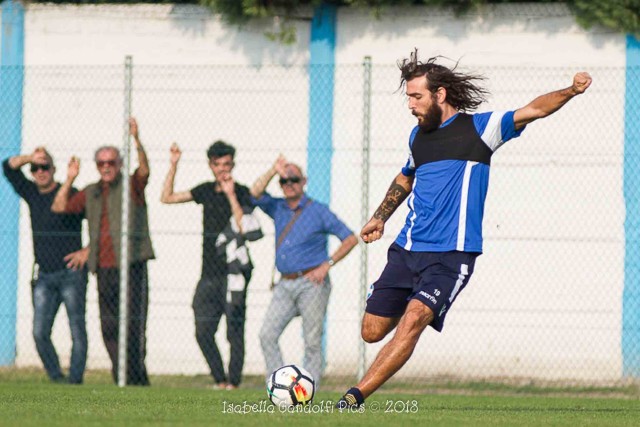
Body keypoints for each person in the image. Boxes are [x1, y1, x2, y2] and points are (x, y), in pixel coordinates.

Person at [336, 50, 592, 408]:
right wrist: (381, 216)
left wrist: (570, 90)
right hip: (407, 248)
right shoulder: (417, 137)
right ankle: (405, 320)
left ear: (439, 95)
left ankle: (354, 397)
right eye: (408, 97)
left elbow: (534, 110)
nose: (410, 105)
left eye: (416, 97)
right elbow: (405, 177)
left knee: (413, 319)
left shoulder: (479, 129)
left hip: (451, 256)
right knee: (372, 331)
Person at [52, 118, 154, 386]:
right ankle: (123, 375)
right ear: (97, 166)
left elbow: (144, 171)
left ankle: (135, 378)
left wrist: (137, 140)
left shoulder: (130, 186)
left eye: (111, 162)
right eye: (101, 163)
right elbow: (60, 207)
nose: (106, 167)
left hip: (131, 265)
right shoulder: (91, 192)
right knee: (109, 327)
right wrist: (70, 178)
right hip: (105, 268)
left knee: (133, 327)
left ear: (119, 164)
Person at [160, 140, 262, 390]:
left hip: (235, 274)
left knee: (234, 332)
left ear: (233, 165)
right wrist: (174, 165)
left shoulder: (241, 191)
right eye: (217, 165)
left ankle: (234, 383)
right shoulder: (205, 190)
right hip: (208, 273)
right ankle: (220, 380)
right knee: (203, 331)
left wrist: (230, 195)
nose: (222, 170)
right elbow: (167, 197)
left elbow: (244, 228)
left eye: (227, 164)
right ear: (210, 166)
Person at [251, 155, 358, 386]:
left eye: (294, 179)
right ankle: (278, 387)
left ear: (304, 181)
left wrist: (326, 265)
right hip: (284, 284)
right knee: (267, 334)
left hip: (312, 284)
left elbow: (350, 238)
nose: (289, 184)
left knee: (311, 340)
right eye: (284, 181)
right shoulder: (277, 206)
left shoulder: (318, 211)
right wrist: (273, 170)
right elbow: (255, 193)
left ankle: (309, 391)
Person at [3, 147, 89, 384]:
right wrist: (31, 157)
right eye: (35, 168)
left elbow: (101, 221)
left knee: (77, 331)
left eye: (45, 167)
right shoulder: (31, 192)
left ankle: (75, 381)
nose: (40, 172)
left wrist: (88, 251)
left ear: (54, 169)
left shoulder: (70, 193)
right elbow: (7, 167)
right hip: (44, 276)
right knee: (40, 333)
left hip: (72, 274)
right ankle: (56, 378)